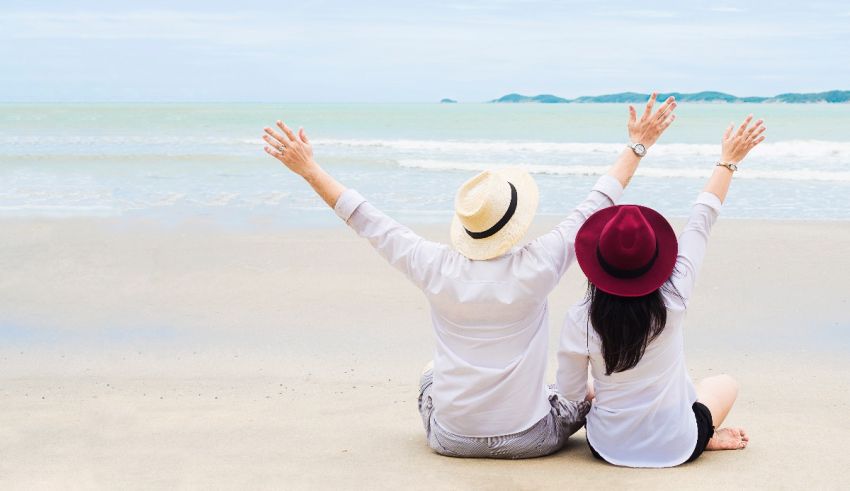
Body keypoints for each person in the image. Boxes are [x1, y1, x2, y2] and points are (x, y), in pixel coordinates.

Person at [261, 93, 677, 458]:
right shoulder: (539, 264)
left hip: (450, 439)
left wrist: (308, 168)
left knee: (431, 372)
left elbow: (365, 218)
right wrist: (638, 145)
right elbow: (597, 202)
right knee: (578, 396)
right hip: (530, 440)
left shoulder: (433, 265)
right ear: (516, 222)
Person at [555, 115, 766, 467]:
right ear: (656, 259)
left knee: (598, 391)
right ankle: (705, 435)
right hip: (678, 445)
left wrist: (598, 391)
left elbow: (571, 394)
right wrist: (728, 160)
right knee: (724, 383)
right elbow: (700, 221)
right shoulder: (674, 296)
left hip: (606, 447)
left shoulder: (581, 317)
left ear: (597, 264)